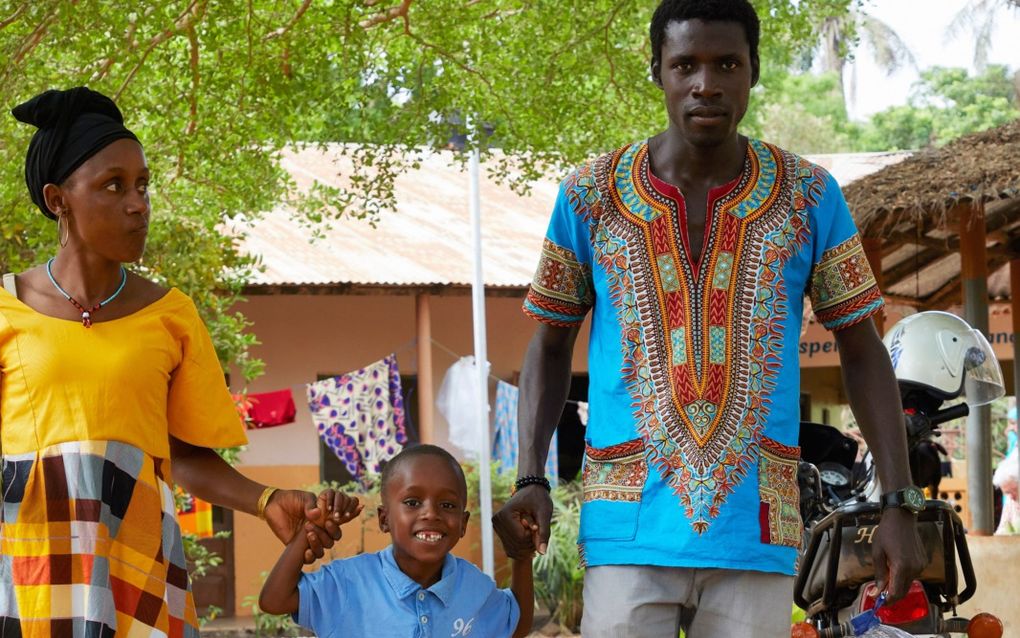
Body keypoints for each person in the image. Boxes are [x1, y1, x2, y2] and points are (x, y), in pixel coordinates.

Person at [492, 1, 925, 636]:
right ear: (657, 72)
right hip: (626, 528)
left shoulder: (808, 195)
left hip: (755, 529)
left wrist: (899, 503)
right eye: (685, 64)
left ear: (753, 71)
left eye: (727, 63)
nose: (706, 83)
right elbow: (551, 344)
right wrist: (532, 474)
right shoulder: (589, 195)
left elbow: (861, 349)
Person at [0, 87, 341, 638]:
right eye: (114, 186)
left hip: (139, 569)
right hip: (29, 571)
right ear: (58, 198)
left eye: (142, 185)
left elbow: (185, 456)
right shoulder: (5, 308)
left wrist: (269, 500)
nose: (138, 203)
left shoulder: (170, 315)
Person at [260, 444, 535, 638]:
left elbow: (515, 624)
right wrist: (307, 530)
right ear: (384, 519)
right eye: (413, 502)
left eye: (448, 505)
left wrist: (521, 555)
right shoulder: (347, 583)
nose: (431, 513)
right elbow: (274, 600)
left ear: (463, 524)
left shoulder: (474, 587)